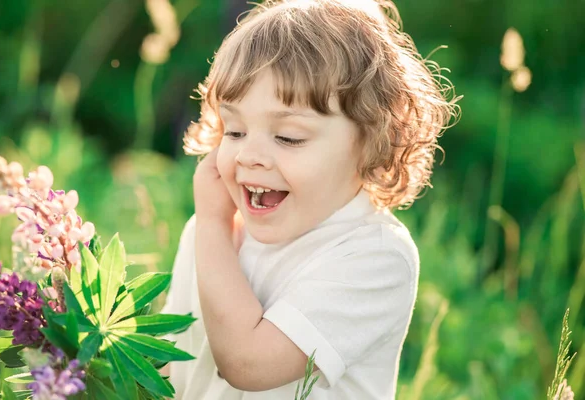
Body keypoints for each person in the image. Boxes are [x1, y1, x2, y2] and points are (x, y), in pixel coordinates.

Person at [160, 0, 460, 398]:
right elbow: (168, 363)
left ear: (372, 141)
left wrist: (214, 227)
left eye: (288, 137)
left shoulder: (375, 256)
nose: (249, 155)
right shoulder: (209, 230)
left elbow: (247, 363)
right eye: (234, 130)